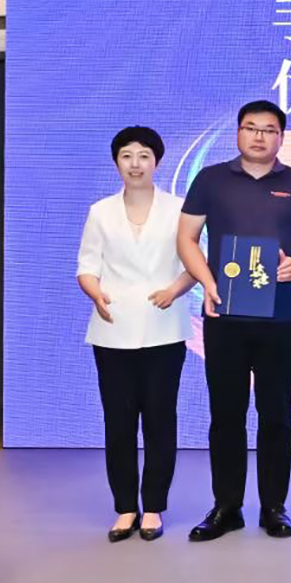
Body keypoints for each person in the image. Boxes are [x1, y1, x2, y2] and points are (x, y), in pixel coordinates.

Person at [176, 100, 291, 542]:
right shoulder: (211, 179)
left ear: (281, 137)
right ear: (238, 132)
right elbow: (186, 238)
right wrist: (207, 283)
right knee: (226, 414)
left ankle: (274, 506)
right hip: (225, 315)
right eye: (251, 127)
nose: (259, 136)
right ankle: (227, 506)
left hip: (280, 316)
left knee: (276, 414)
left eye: (269, 129)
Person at [75, 126, 195, 542]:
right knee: (119, 422)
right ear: (116, 163)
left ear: (156, 161)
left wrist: (174, 290)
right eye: (127, 156)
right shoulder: (100, 211)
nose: (135, 164)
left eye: (144, 155)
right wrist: (95, 293)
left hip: (165, 327)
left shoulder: (179, 209)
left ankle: (154, 507)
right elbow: (86, 266)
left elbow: (196, 263)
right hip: (113, 329)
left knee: (160, 419)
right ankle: (125, 507)